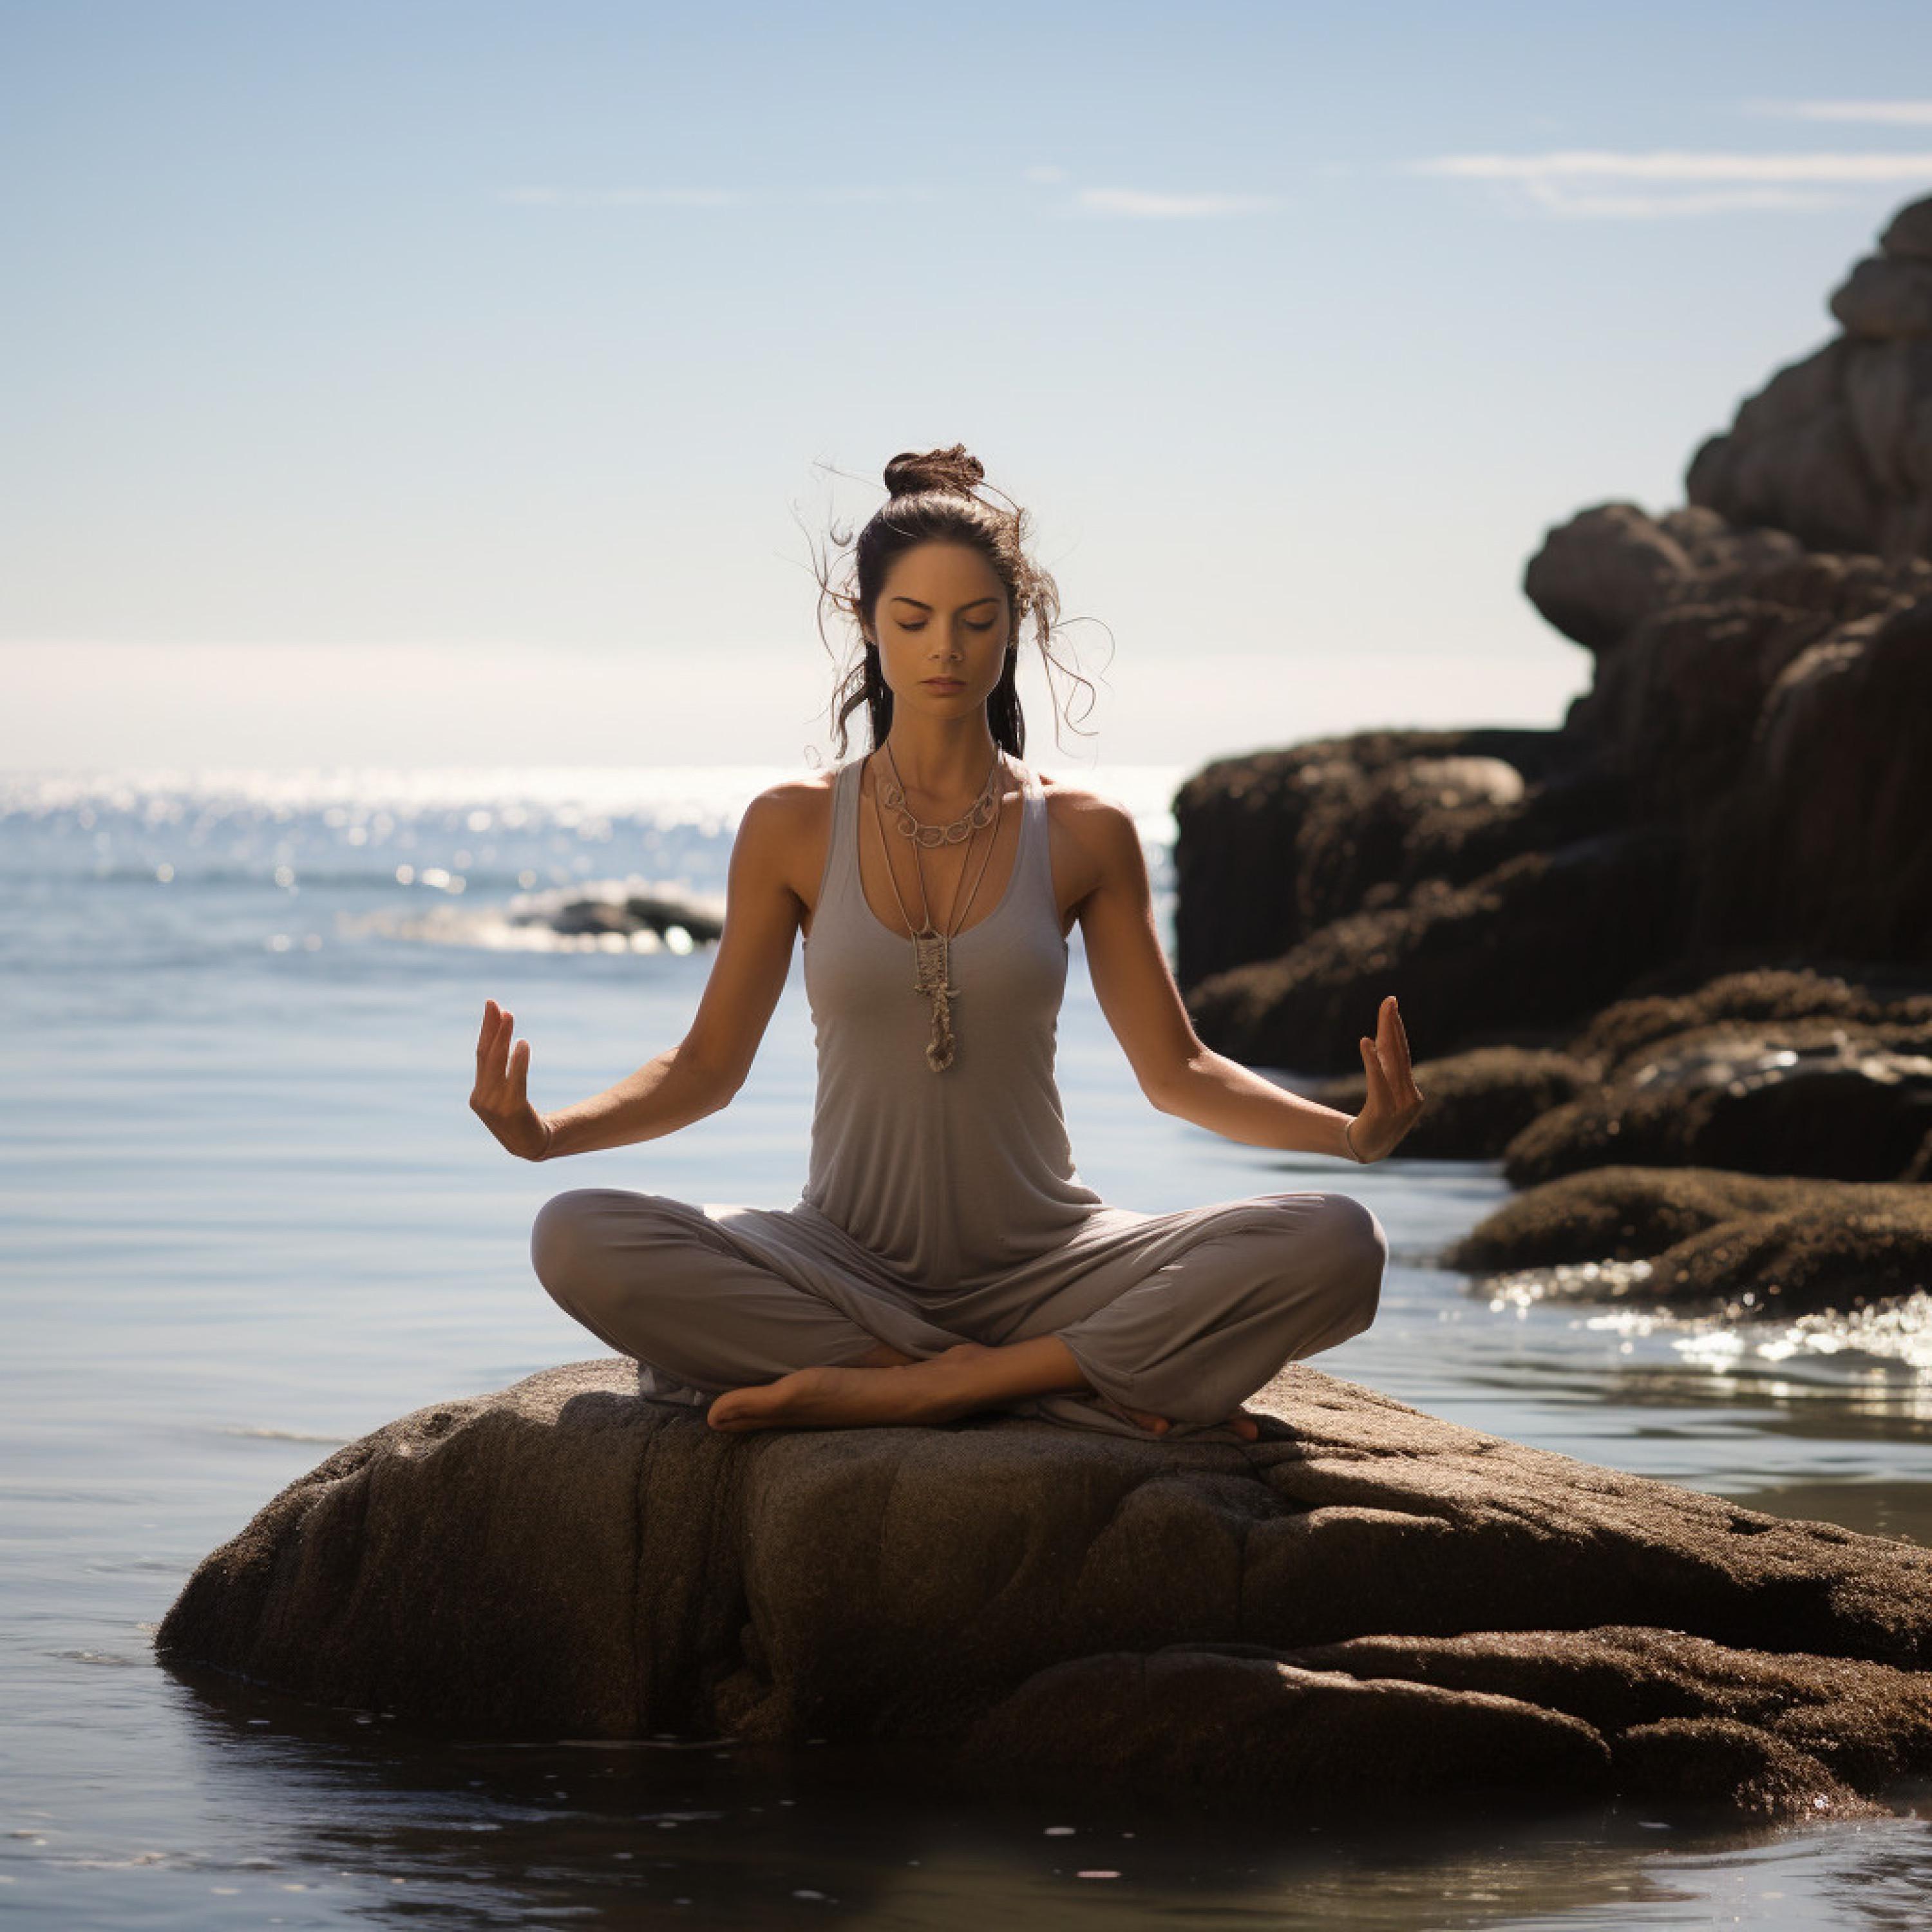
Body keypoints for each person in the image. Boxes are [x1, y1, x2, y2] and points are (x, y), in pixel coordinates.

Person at [472, 444, 1425, 1444]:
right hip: (842, 1264)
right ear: (866, 625)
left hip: (1055, 1266)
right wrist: (548, 1136)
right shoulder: (791, 826)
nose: (947, 651)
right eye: (914, 621)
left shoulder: (1086, 832)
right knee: (577, 1235)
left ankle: (921, 1389)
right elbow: (707, 1068)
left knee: (1339, 1242)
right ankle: (1028, 1384)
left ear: (1017, 625)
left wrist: (1348, 1135)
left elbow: (1178, 1071)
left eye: (978, 622)